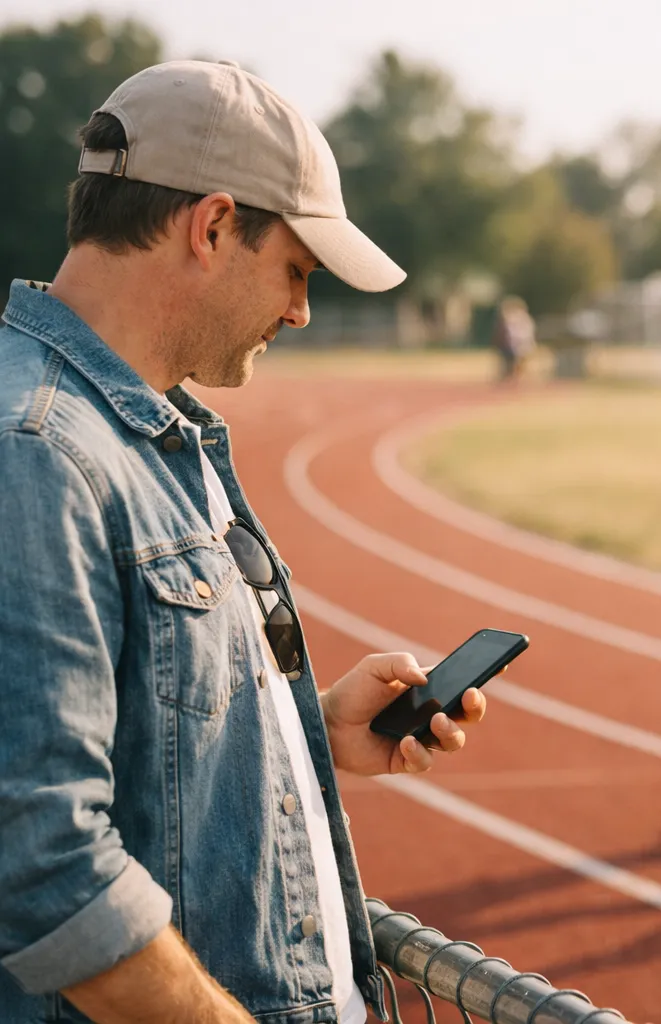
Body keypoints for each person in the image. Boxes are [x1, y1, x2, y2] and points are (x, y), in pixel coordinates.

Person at [0, 60, 488, 1023]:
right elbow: (41, 866)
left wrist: (297, 727)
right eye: (296, 270)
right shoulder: (40, 453)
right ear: (212, 226)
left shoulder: (148, 429)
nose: (302, 310)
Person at [492, 295, 536, 383]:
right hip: (514, 342)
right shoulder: (516, 318)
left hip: (518, 342)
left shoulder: (517, 318)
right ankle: (512, 377)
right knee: (513, 362)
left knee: (519, 362)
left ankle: (516, 377)